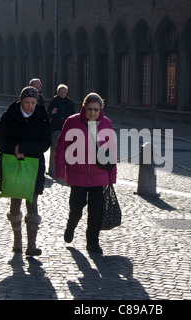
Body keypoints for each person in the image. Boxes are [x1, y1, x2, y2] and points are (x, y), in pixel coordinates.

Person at [54, 92, 117, 254]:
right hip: (77, 175)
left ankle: (92, 242)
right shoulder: (72, 122)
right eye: (89, 109)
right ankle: (71, 225)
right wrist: (60, 170)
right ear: (84, 108)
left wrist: (112, 176)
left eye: (96, 109)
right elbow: (61, 147)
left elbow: (111, 152)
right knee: (76, 207)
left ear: (101, 109)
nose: (92, 113)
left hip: (99, 175)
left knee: (96, 212)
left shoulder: (106, 124)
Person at [0, 86, 52, 256]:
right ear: (21, 101)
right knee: (15, 203)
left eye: (33, 103)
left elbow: (46, 142)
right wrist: (14, 149)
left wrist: (24, 148)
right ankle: (17, 240)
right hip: (12, 164)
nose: (30, 106)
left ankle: (32, 245)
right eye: (26, 102)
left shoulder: (42, 117)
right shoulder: (9, 115)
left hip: (34, 166)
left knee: (32, 202)